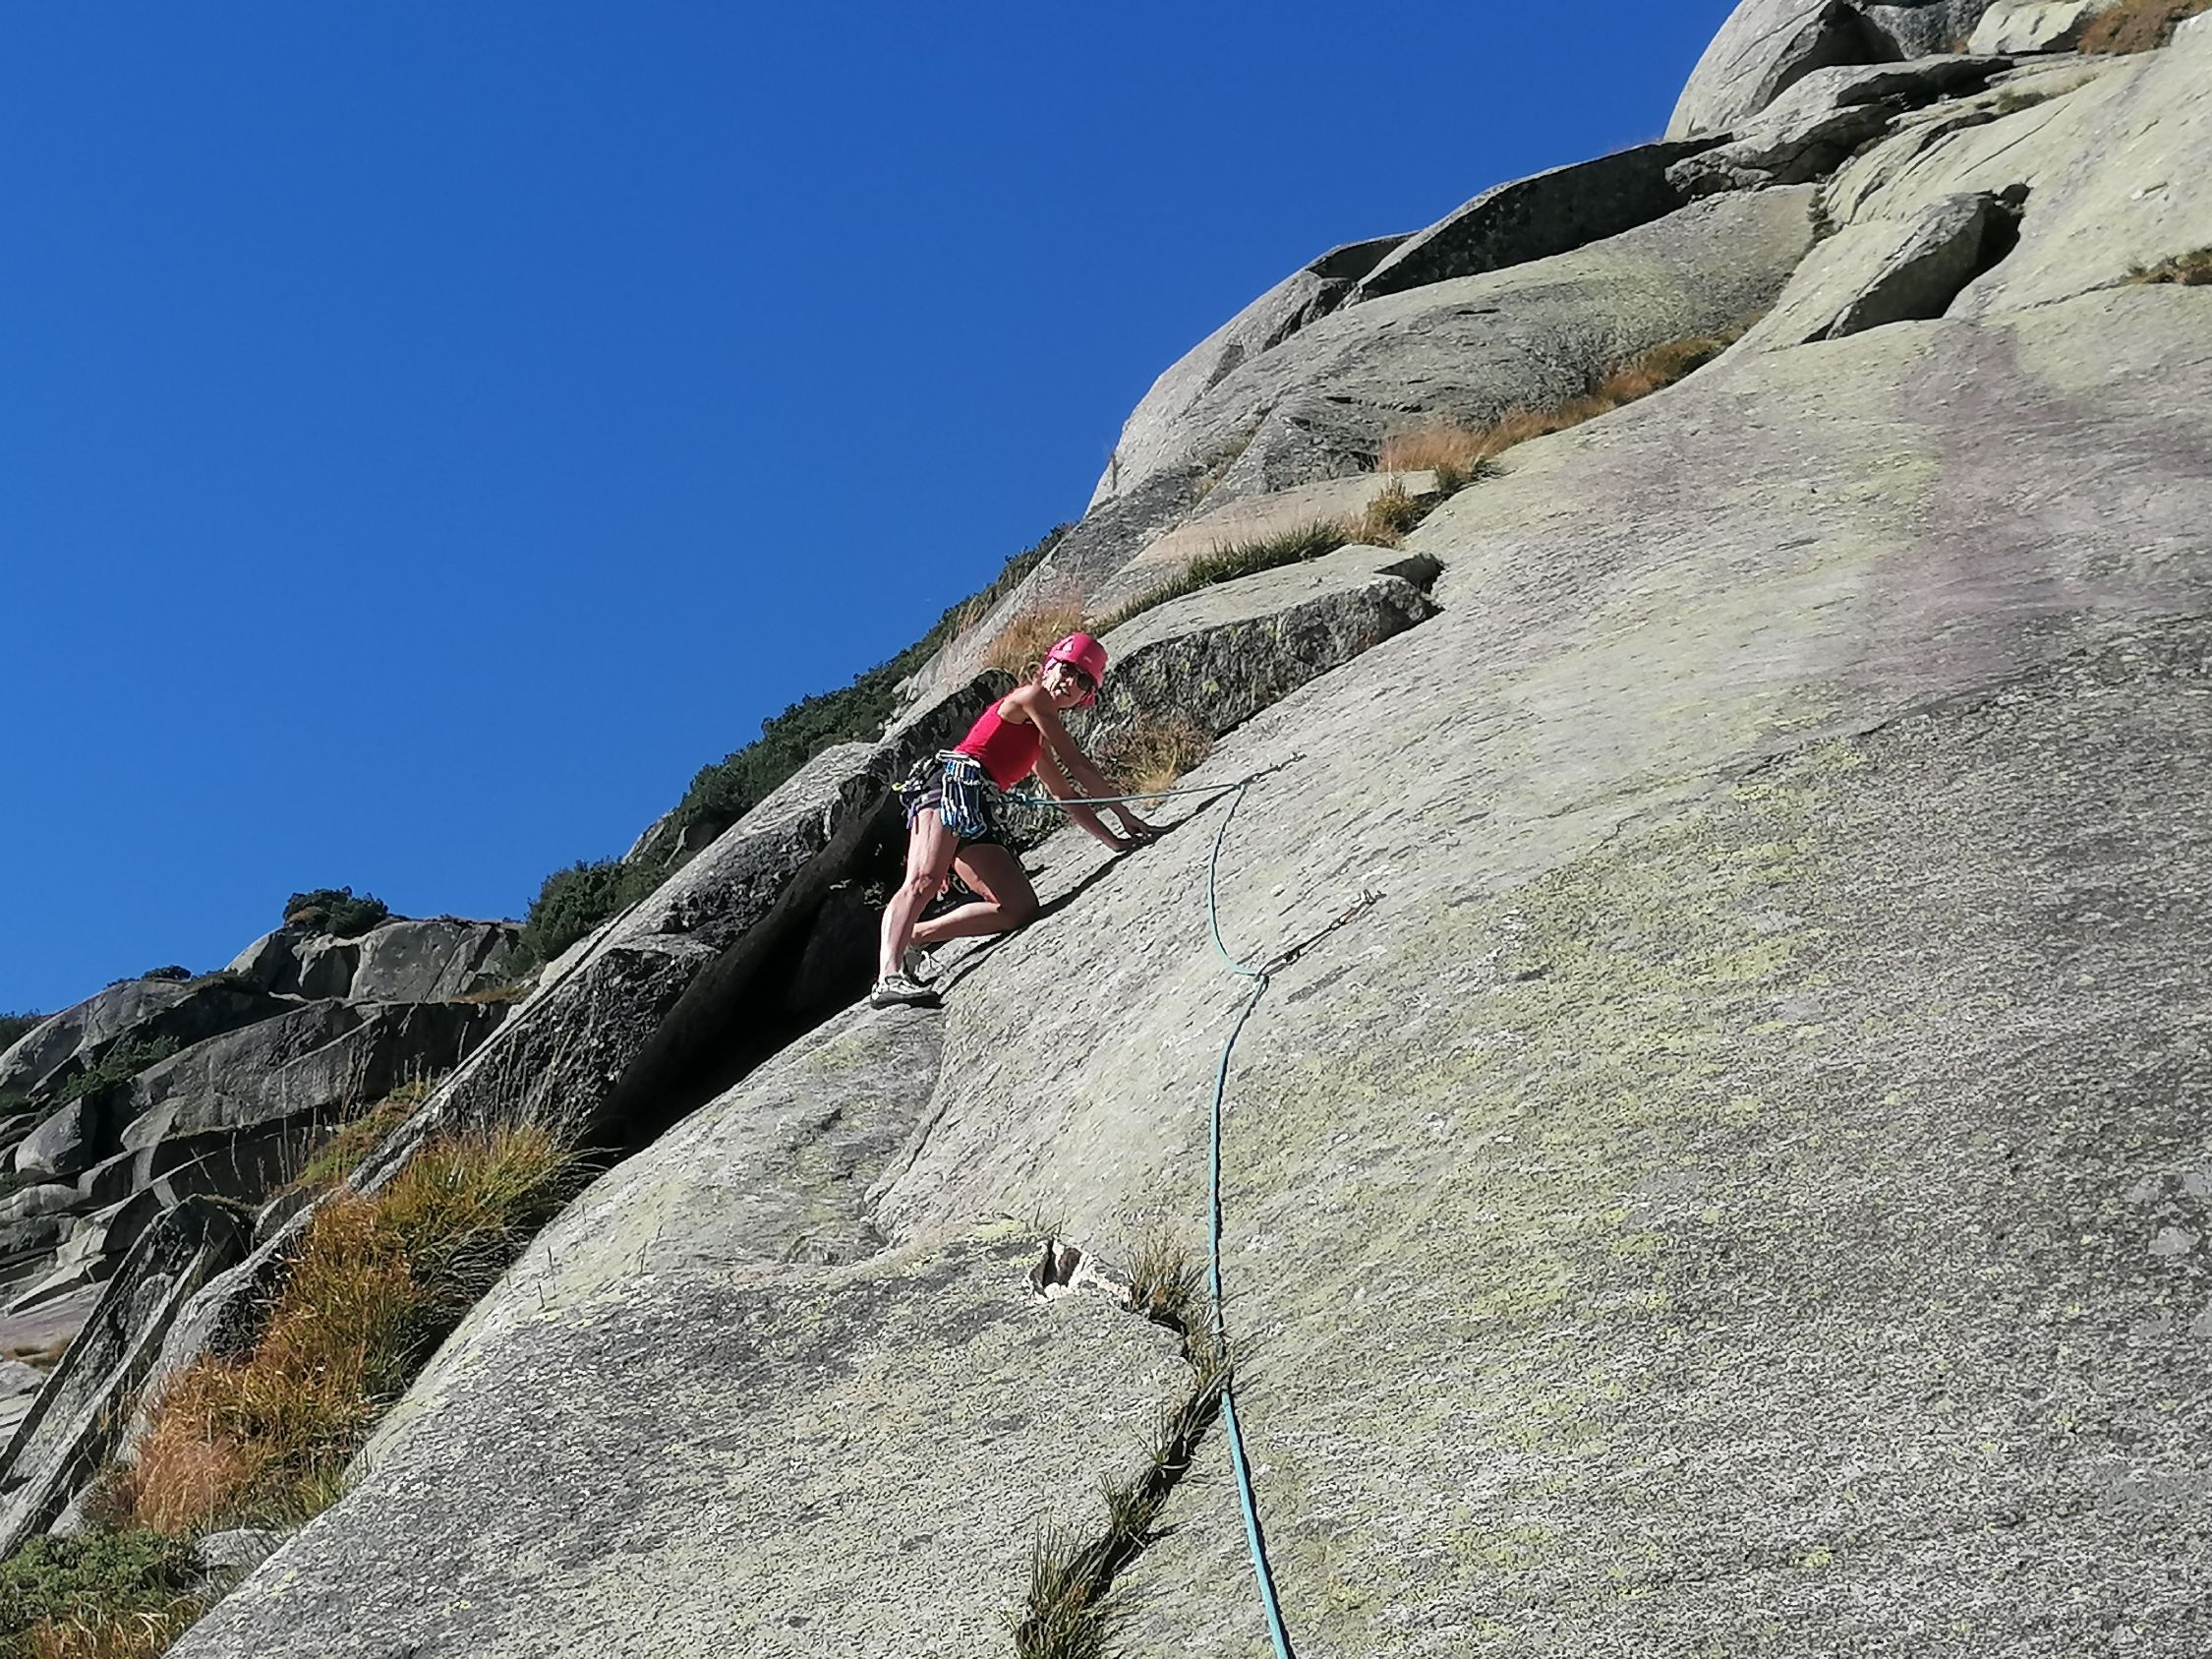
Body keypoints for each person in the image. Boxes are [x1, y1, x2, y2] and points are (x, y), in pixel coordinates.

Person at [871, 631, 1156, 1008]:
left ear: (1086, 695)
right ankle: (887, 978)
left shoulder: (1036, 741)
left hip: (975, 808)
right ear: (1048, 667)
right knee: (924, 879)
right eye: (1066, 669)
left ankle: (916, 934)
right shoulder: (1031, 697)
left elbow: (1065, 795)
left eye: (1083, 680)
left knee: (1018, 907)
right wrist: (1124, 813)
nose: (1070, 682)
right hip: (948, 788)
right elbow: (1077, 763)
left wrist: (1114, 841)